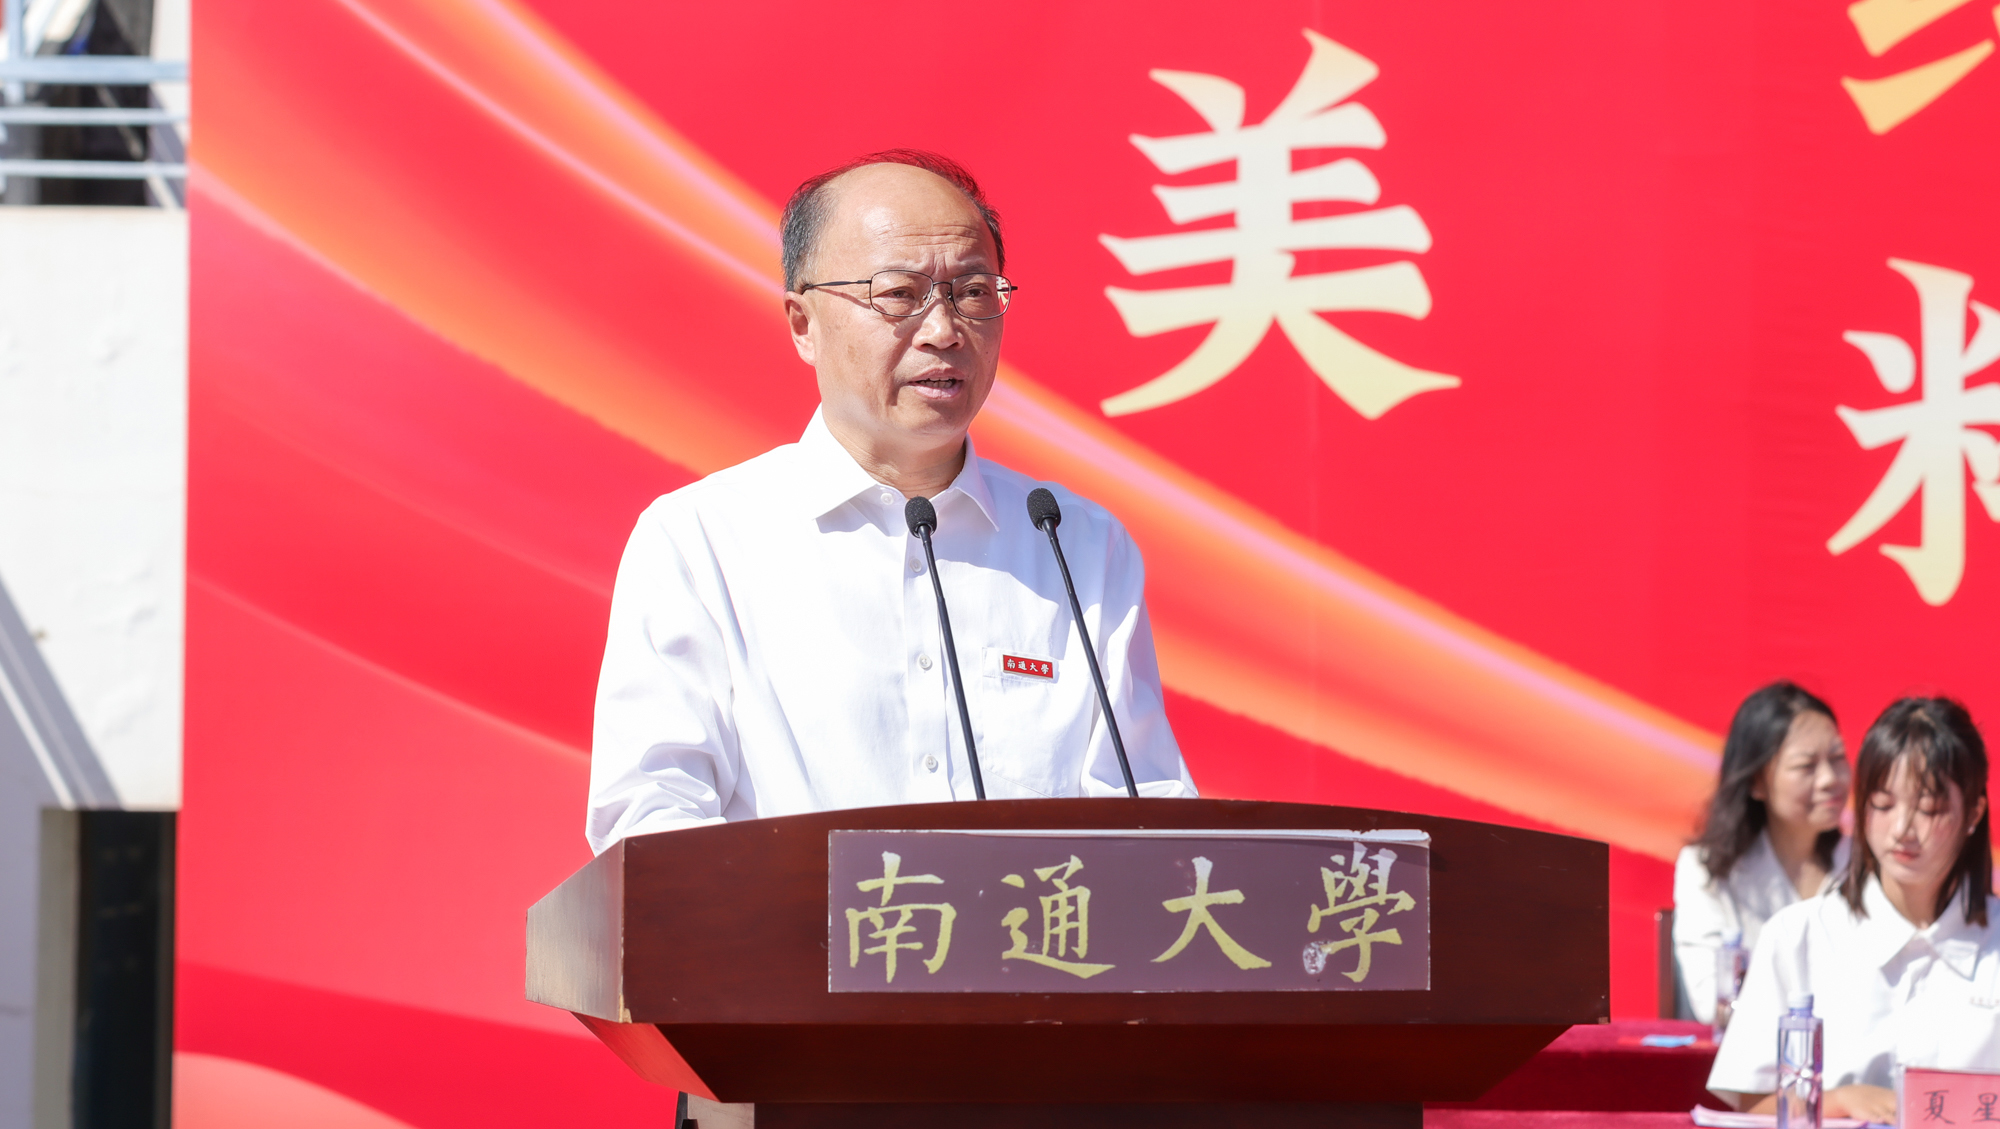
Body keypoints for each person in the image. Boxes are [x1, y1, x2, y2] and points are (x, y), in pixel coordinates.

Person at [586, 150, 1196, 854]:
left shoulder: (1075, 544)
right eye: (900, 294)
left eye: (973, 292)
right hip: (797, 931)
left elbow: (1151, 820)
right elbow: (651, 821)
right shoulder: (703, 541)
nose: (944, 331)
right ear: (803, 324)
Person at [1708, 697, 1999, 1120]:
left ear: (1973, 812)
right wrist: (1838, 1102)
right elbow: (1749, 1102)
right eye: (1883, 804)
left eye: (1929, 808)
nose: (1902, 830)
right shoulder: (1797, 937)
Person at [1674, 682, 1852, 1023]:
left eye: (1837, 758)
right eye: (1806, 766)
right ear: (1756, 782)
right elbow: (1713, 1001)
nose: (1830, 779)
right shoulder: (1707, 870)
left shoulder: (1869, 866)